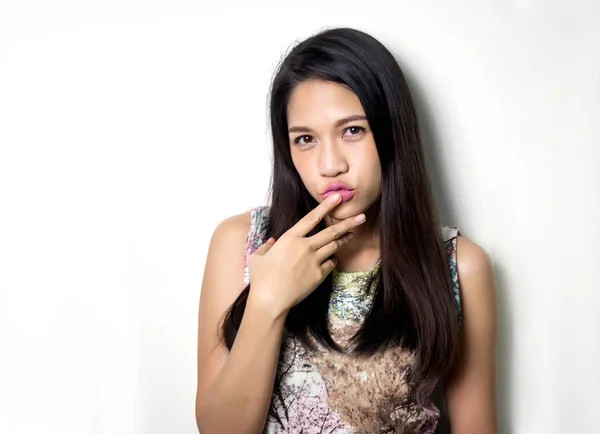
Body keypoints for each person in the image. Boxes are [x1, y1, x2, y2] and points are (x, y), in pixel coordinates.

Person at [195, 27, 498, 434]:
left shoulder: (459, 266)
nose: (330, 164)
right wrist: (267, 301)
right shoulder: (243, 243)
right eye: (305, 139)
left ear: (391, 131)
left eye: (352, 130)